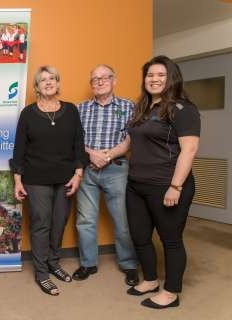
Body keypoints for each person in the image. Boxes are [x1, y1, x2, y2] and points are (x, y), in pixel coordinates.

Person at [125, 55, 200, 309]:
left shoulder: (182, 109)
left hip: (167, 185)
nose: (154, 79)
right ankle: (150, 280)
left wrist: (175, 186)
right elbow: (132, 141)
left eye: (160, 75)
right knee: (140, 236)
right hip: (136, 185)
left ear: (171, 78)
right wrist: (106, 155)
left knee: (170, 239)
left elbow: (189, 150)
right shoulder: (143, 107)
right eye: (149, 75)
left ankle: (171, 292)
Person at [10, 65, 87, 296]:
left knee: (59, 222)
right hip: (36, 179)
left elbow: (78, 145)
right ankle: (42, 273)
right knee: (41, 223)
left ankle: (54, 262)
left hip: (65, 178)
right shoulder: (28, 113)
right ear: (37, 87)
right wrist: (18, 180)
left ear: (58, 83)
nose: (48, 82)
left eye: (52, 78)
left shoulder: (71, 110)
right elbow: (19, 149)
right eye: (43, 80)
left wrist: (78, 174)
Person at [74, 65, 138, 286]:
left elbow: (131, 139)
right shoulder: (79, 109)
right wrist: (92, 154)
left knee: (122, 220)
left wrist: (108, 156)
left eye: (104, 78)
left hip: (117, 169)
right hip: (88, 170)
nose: (99, 82)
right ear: (91, 83)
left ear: (114, 80)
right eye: (94, 79)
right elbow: (74, 140)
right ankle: (88, 263)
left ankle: (129, 265)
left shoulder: (129, 106)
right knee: (85, 220)